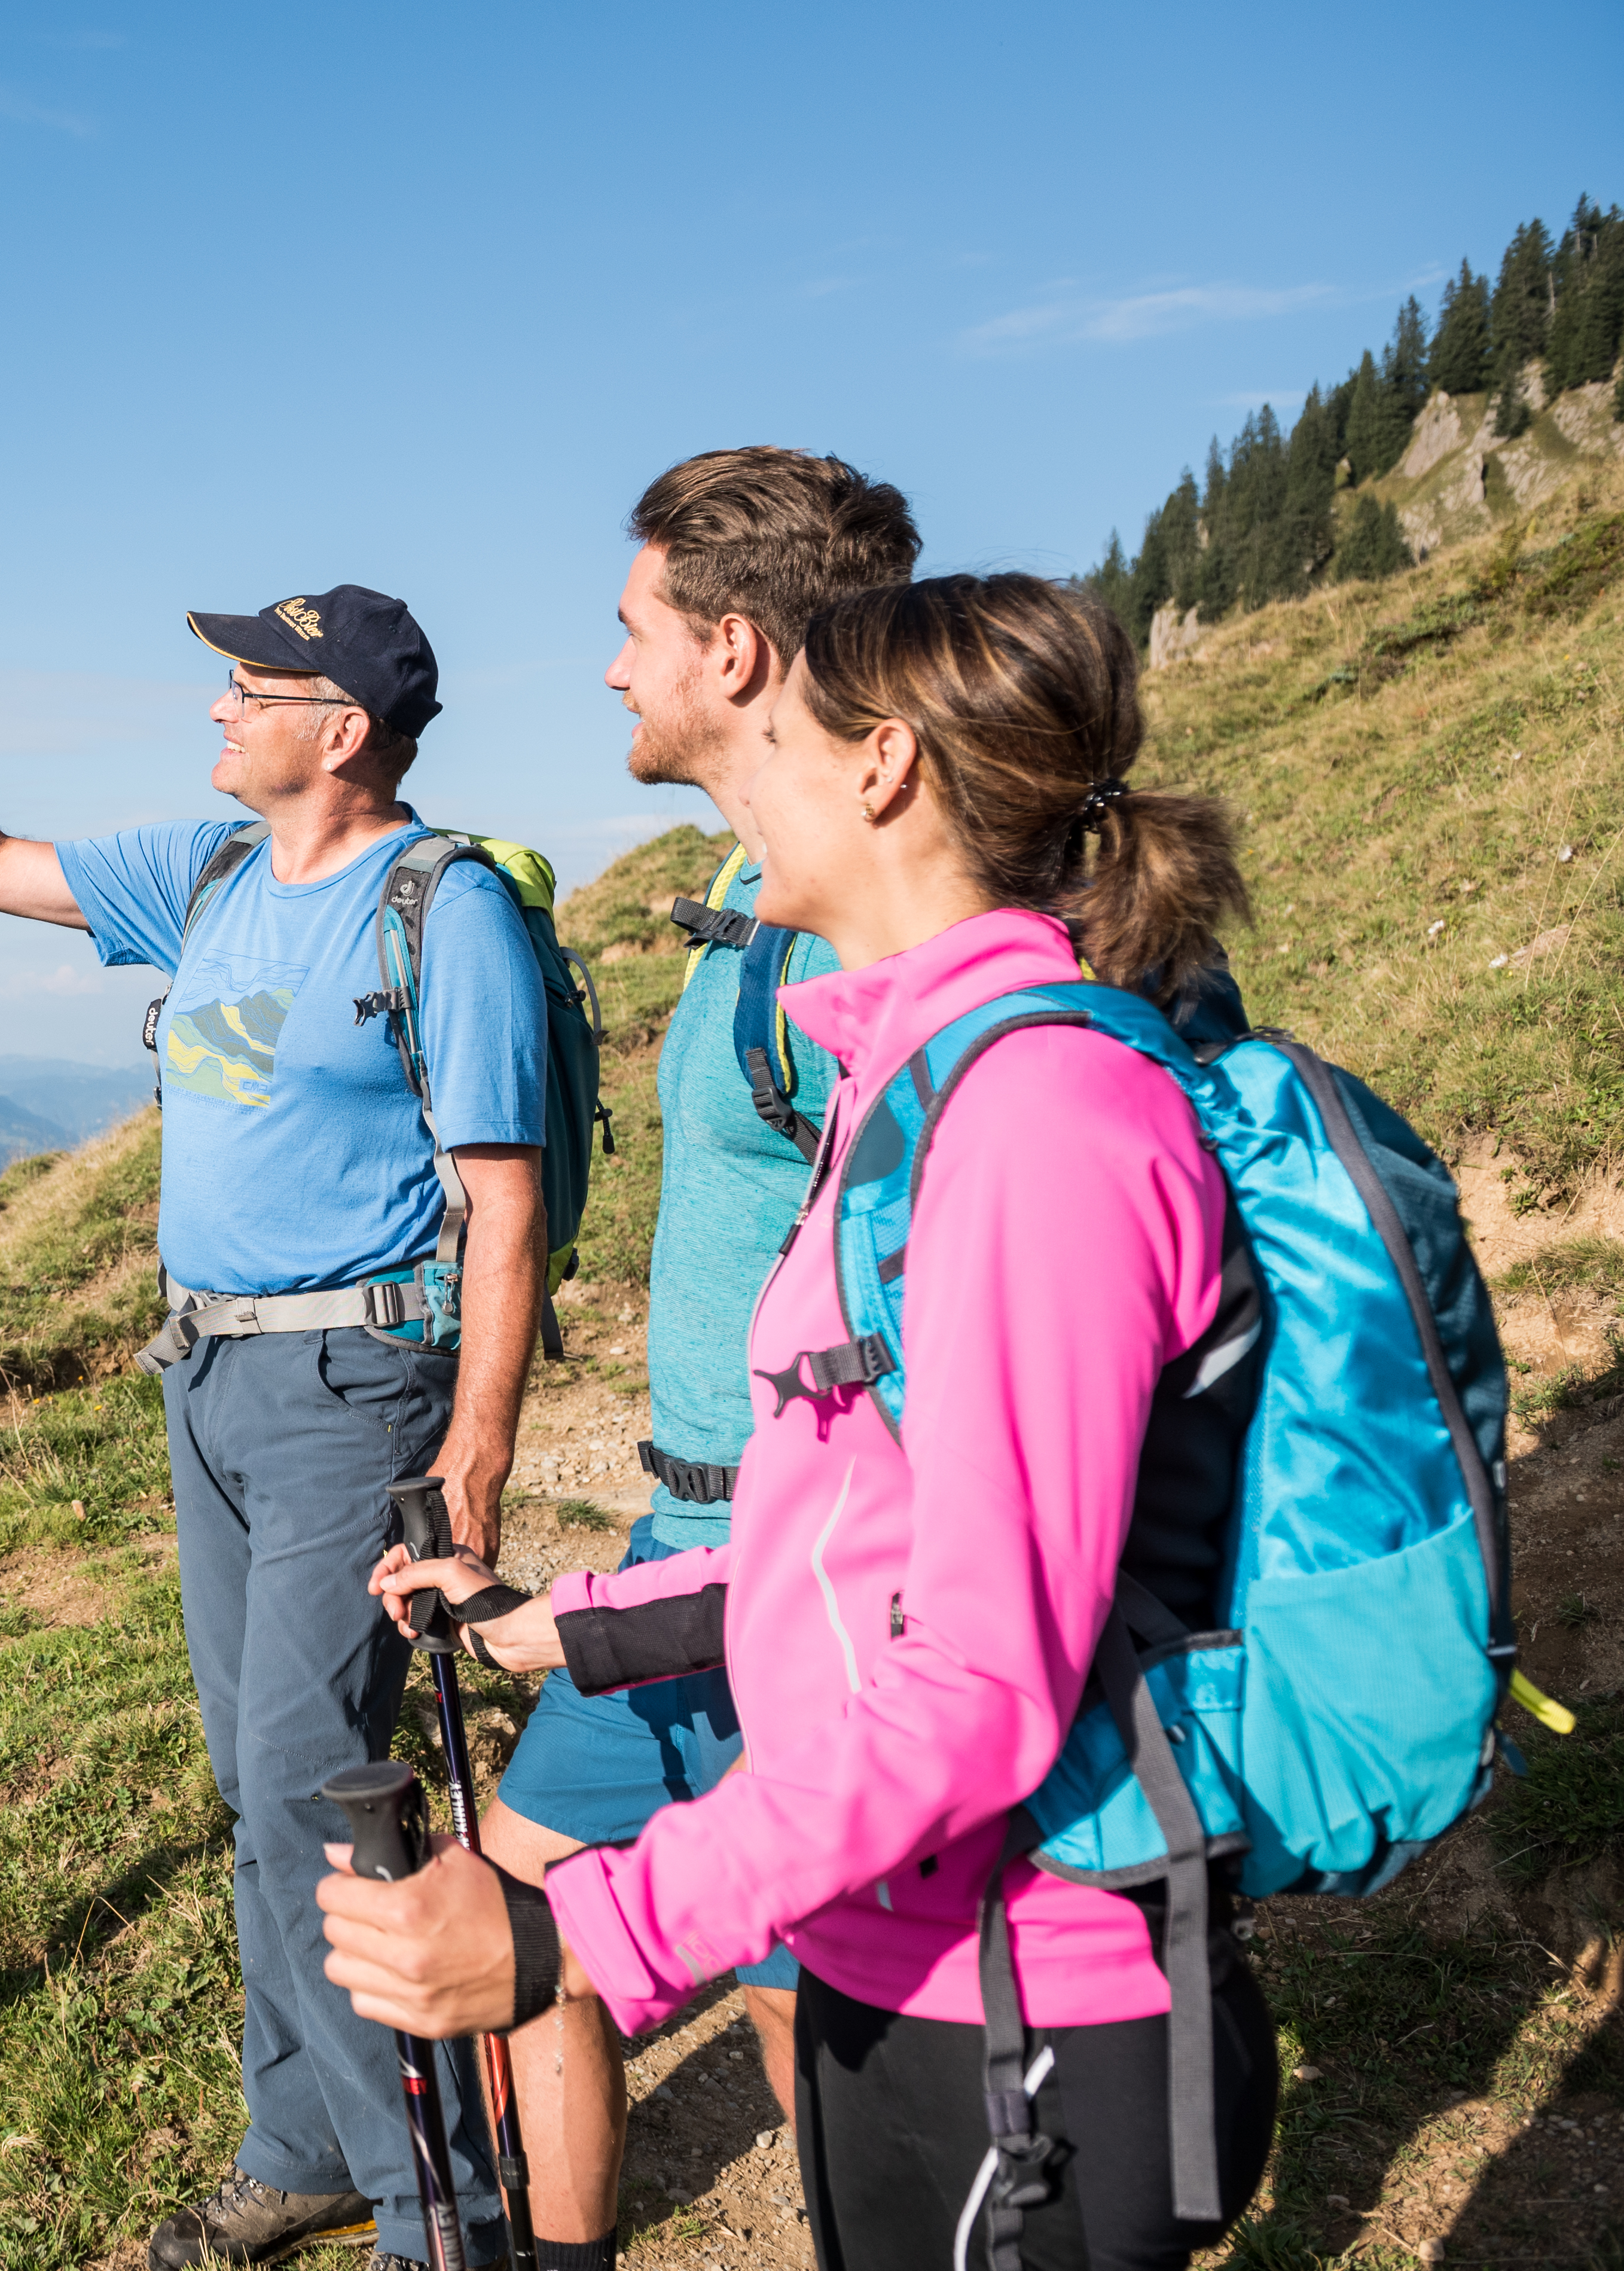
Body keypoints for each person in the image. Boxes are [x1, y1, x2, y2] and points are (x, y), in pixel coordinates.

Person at [325, 574, 1280, 2269]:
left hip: (1034, 1985)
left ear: (885, 768)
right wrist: (576, 1624)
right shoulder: (906, 1080)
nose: (735, 771)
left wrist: (577, 1941)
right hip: (885, 1947)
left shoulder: (1042, 1117)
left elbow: (983, 1681)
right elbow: (856, 1517)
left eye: (776, 735)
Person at [0, 587, 550, 2270]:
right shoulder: (211, 872)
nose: (219, 710)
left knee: (312, 1782)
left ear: (346, 730)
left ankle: (436, 2209)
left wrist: (477, 1456)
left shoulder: (442, 911)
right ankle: (302, 2143)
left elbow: (505, 1208)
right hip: (209, 1381)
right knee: (260, 1787)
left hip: (354, 1388)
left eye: (253, 687)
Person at [475, 448, 917, 2268]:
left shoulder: (867, 907)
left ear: (731, 649)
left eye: (631, 627)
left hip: (785, 1553)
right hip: (690, 1528)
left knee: (761, 1972)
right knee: (564, 1911)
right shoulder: (762, 877)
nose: (610, 668)